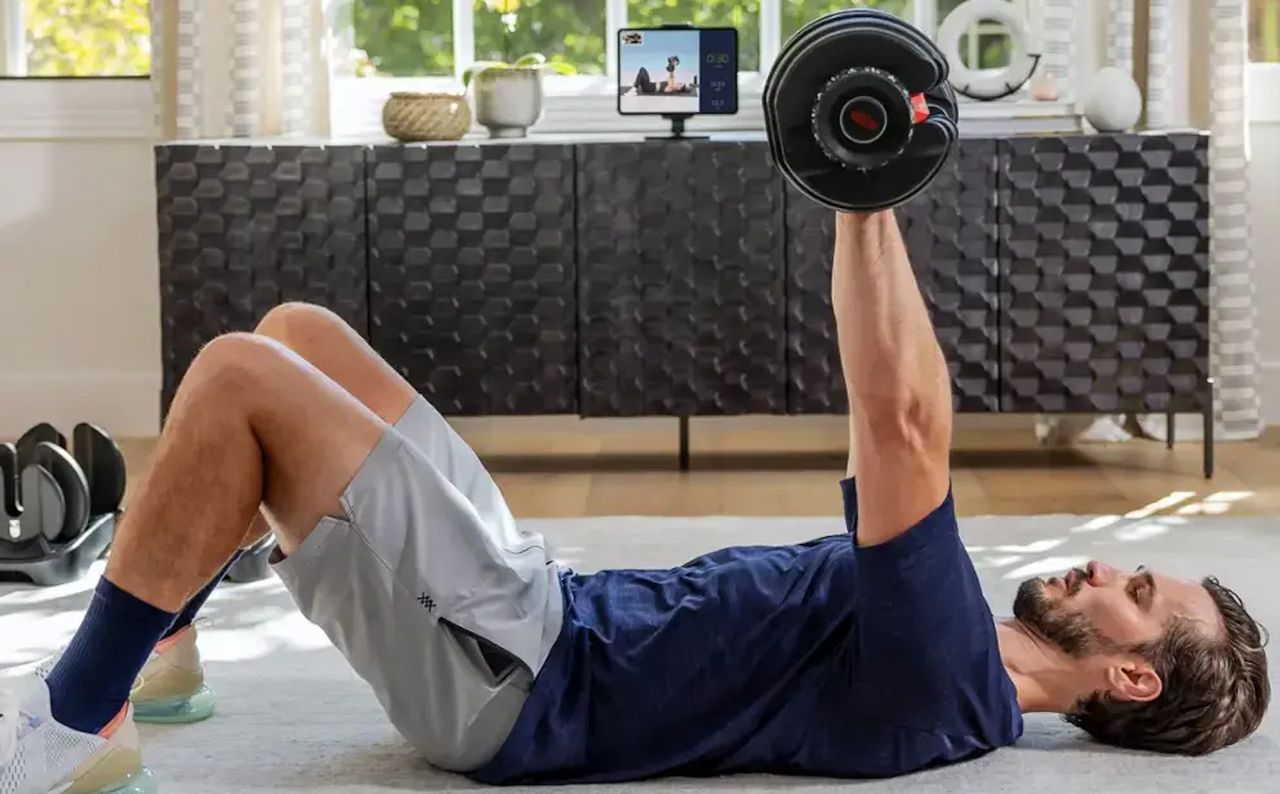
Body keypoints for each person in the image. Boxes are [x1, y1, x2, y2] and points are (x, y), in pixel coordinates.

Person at [0, 211, 1269, 793]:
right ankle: (162, 651)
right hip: (551, 606)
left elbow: (900, 419)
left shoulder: (951, 682)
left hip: (524, 679)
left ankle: (75, 720)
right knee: (299, 333)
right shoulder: (959, 654)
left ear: (1133, 678)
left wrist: (861, 190)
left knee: (236, 375)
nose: (1107, 566)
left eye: (1135, 591)